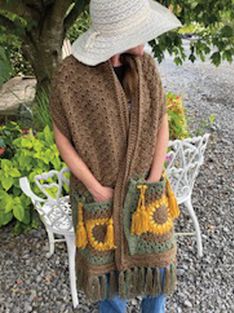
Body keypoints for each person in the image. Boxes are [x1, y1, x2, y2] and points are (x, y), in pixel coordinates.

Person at [49, 1, 182, 312]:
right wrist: (95, 188)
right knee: (105, 280)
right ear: (119, 36)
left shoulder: (146, 67)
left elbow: (162, 122)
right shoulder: (72, 76)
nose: (145, 38)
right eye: (140, 30)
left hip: (146, 192)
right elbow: (62, 138)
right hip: (99, 194)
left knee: (159, 268)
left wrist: (152, 180)